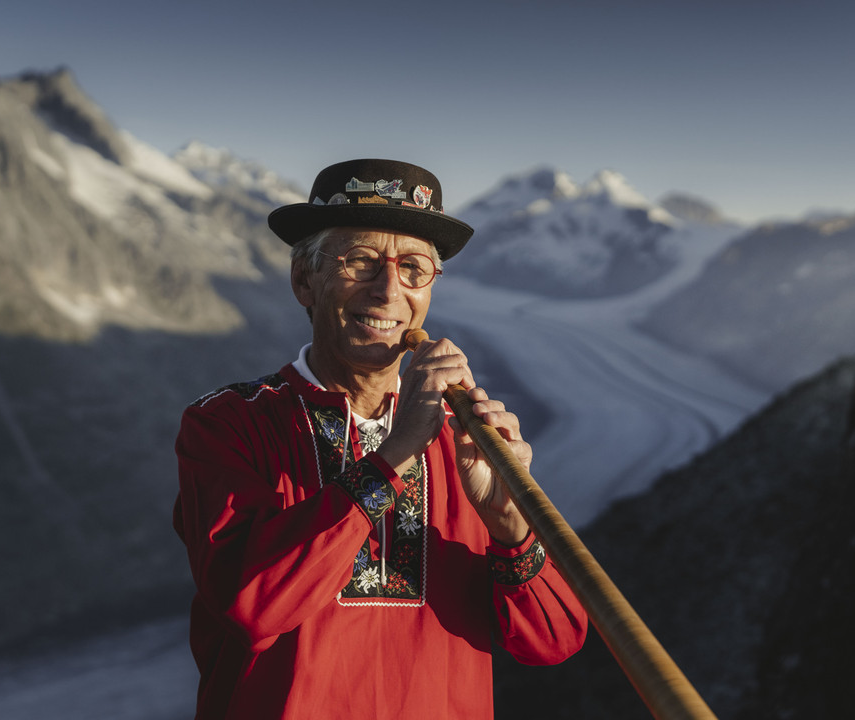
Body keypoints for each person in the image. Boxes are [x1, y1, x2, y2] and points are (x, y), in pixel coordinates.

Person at [173, 159, 588, 719]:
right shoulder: (227, 424)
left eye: (414, 268)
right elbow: (253, 606)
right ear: (305, 281)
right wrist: (393, 457)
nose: (389, 288)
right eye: (360, 261)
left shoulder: (464, 437)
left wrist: (509, 520)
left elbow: (553, 640)